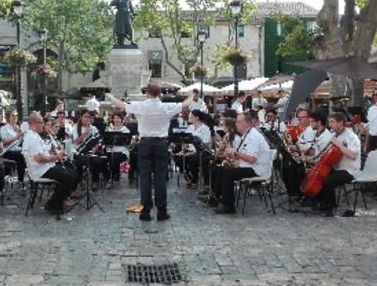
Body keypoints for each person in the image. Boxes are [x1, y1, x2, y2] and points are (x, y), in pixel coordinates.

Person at [106, 83, 191, 221]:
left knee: (144, 178)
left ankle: (145, 211)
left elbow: (120, 105)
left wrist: (109, 95)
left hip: (145, 143)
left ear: (147, 93)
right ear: (160, 94)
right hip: (161, 144)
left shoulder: (141, 106)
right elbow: (184, 104)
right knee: (160, 178)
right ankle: (162, 211)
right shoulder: (165, 107)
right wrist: (192, 95)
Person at [211, 113, 271, 214]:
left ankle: (228, 206)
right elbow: (242, 154)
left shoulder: (254, 136)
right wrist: (229, 154)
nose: (236, 124)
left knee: (228, 173)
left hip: (256, 169)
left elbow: (252, 159)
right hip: (248, 165)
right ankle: (214, 198)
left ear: (247, 123)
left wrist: (234, 152)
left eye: (239, 122)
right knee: (218, 169)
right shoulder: (247, 135)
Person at [21, 112, 77, 215]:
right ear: (34, 123)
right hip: (40, 170)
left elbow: (43, 154)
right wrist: (56, 157)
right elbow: (39, 159)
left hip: (46, 167)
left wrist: (57, 156)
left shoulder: (34, 136)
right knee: (69, 177)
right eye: (41, 122)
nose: (43, 124)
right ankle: (53, 203)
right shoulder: (31, 138)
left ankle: (59, 201)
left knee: (72, 172)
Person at [316, 113, 362, 216]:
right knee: (319, 175)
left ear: (341, 122)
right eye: (329, 122)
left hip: (350, 171)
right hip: (338, 168)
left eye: (332, 122)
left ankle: (329, 208)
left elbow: (353, 155)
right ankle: (320, 202)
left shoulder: (352, 137)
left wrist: (338, 144)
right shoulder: (335, 135)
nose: (330, 124)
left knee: (328, 181)